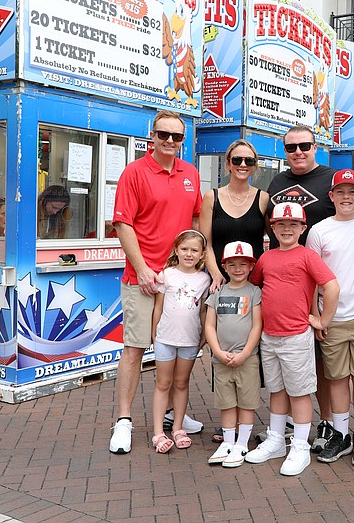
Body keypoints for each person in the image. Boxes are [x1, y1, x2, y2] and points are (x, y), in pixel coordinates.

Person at [266, 124, 354, 452]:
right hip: (287, 290)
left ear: (316, 147)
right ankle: (286, 427)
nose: (298, 152)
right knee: (296, 363)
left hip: (323, 291)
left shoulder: (331, 178)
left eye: (304, 146)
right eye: (291, 147)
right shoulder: (278, 182)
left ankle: (327, 424)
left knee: (326, 367)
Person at [109, 110, 204, 455]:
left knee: (178, 351)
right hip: (142, 280)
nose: (169, 141)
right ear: (153, 136)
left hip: (179, 283)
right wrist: (145, 269)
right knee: (134, 350)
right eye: (163, 134)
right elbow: (123, 225)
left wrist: (200, 267)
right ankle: (123, 421)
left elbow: (195, 222)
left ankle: (171, 416)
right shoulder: (134, 173)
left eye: (176, 137)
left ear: (183, 140)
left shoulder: (191, 174)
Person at [244, 202, 339, 476]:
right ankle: (275, 439)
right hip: (269, 335)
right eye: (281, 224)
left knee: (299, 392)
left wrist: (323, 319)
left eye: (293, 225)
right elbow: (259, 287)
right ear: (272, 228)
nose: (287, 229)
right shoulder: (266, 258)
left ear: (302, 228)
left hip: (296, 335)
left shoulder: (307, 256)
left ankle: (300, 446)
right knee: (276, 389)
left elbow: (331, 286)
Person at [305, 170, 354, 467]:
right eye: (340, 192)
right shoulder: (319, 230)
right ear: (331, 196)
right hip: (331, 317)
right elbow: (310, 277)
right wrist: (317, 315)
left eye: (352, 192)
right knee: (335, 378)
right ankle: (341, 434)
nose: (347, 197)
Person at [149, 230, 211, 452]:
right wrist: (155, 336)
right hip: (166, 338)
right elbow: (158, 308)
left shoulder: (204, 279)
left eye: (194, 250)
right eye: (184, 249)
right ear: (177, 250)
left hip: (190, 340)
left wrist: (204, 336)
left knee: (182, 383)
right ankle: (158, 432)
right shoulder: (166, 275)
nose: (189, 254)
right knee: (163, 384)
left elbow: (203, 310)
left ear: (202, 254)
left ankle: (177, 428)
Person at [204, 241, 262, 468]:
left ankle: (242, 443)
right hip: (222, 360)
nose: (238, 269)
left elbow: (257, 325)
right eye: (232, 264)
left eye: (243, 264)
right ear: (224, 267)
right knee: (226, 402)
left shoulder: (255, 292)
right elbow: (210, 325)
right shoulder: (218, 293)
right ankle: (228, 442)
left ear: (250, 267)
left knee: (246, 402)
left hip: (246, 358)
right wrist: (217, 352)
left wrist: (246, 353)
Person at [201, 139, 270, 292]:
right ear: (228, 164)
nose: (243, 165)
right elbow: (206, 245)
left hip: (255, 284)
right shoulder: (211, 198)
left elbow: (274, 241)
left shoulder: (263, 199)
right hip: (221, 283)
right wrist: (216, 274)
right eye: (237, 160)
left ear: (254, 166)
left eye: (249, 161)